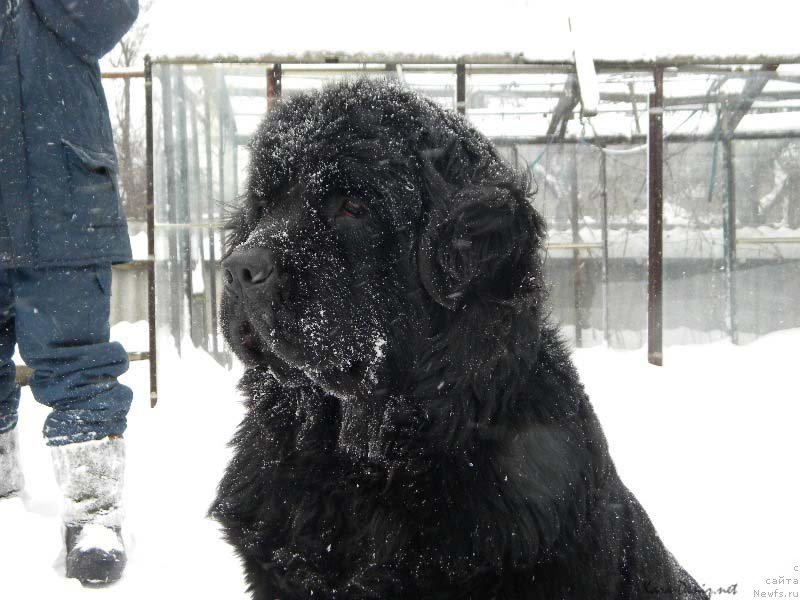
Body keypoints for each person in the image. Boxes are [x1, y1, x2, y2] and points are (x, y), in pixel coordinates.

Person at [0, 0, 139, 586]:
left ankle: (94, 516)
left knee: (79, 363)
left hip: (61, 199)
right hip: (58, 195)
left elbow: (108, 16)